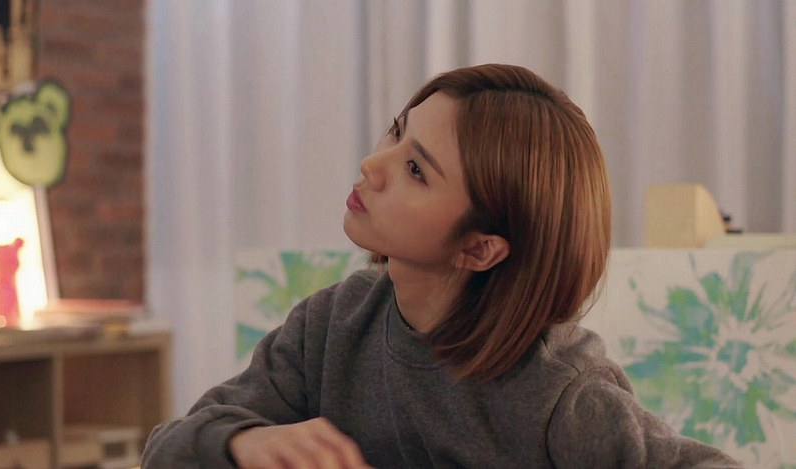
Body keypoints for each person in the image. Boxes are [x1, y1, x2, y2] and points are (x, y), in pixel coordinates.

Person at [141, 64, 743, 468]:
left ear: (480, 248)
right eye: (396, 134)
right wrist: (246, 442)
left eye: (416, 170)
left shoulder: (562, 393)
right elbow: (165, 448)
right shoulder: (328, 326)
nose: (372, 165)